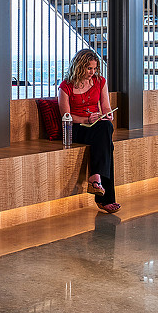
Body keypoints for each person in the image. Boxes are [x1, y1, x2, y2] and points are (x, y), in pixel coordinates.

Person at [58, 48, 119, 214]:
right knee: (107, 146)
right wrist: (86, 119)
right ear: (79, 67)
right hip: (77, 127)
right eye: (89, 68)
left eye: (95, 68)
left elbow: (105, 106)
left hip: (97, 125)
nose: (93, 72)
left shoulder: (100, 81)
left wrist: (107, 115)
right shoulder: (65, 87)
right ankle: (105, 199)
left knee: (106, 127)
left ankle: (96, 179)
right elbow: (66, 116)